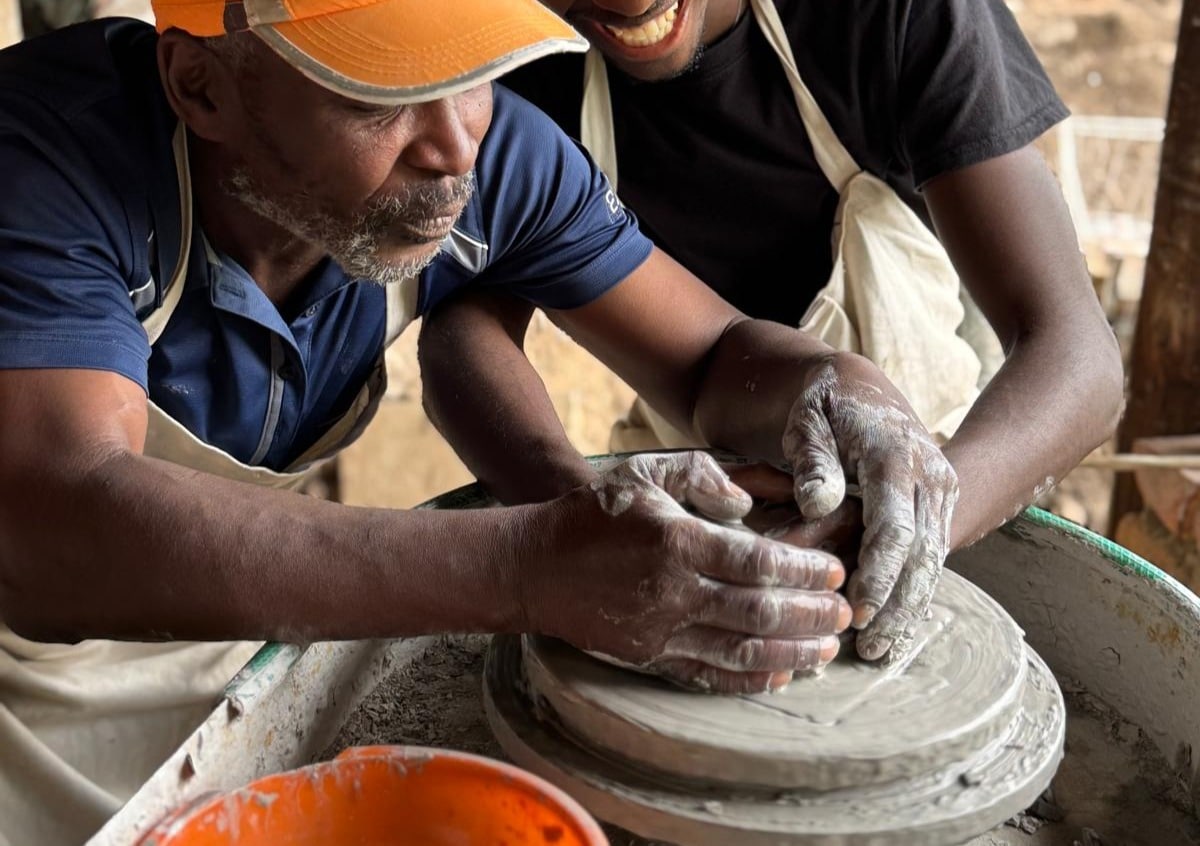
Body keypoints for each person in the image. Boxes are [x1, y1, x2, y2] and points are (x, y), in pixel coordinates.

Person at [0, 0, 959, 842]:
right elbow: (58, 527)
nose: (455, 146)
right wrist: (525, 566)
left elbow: (711, 358)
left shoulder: (488, 159)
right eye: (379, 96)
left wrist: (836, 386)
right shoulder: (46, 155)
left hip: (235, 627)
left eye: (477, 74)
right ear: (201, 86)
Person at [418, 0, 1124, 586]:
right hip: (692, 468)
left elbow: (1078, 356)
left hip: (951, 448)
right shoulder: (530, 67)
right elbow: (463, 334)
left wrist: (906, 531)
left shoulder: (890, 16)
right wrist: (578, 514)